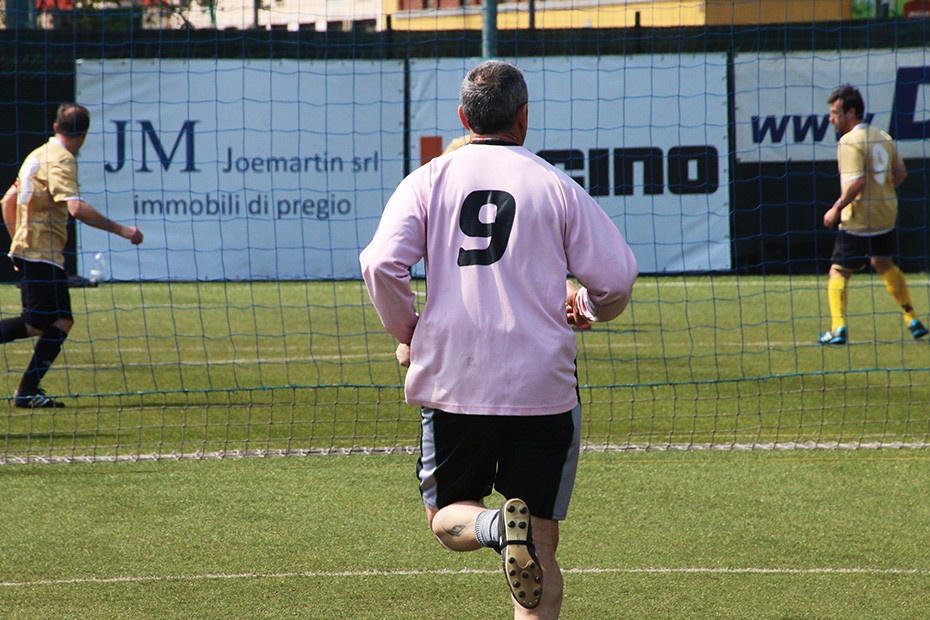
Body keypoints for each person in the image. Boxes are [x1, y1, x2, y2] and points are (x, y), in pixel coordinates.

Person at [360, 60, 637, 619]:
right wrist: (584, 307)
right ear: (524, 116)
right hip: (542, 386)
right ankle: (511, 533)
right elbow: (617, 279)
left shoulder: (429, 179)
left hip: (456, 380)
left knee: (447, 518)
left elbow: (381, 264)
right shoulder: (554, 184)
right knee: (540, 546)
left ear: (464, 118)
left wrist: (411, 332)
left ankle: (491, 526)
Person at [0, 103, 143, 408]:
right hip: (41, 253)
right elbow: (76, 208)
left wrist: (18, 243)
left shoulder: (37, 155)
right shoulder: (62, 159)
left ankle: (27, 391)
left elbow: (7, 202)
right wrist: (122, 230)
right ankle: (26, 392)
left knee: (60, 321)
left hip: (35, 252)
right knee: (38, 323)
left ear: (56, 126)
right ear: (84, 134)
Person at [819, 84, 927, 345]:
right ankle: (912, 318)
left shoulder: (849, 141)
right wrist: (883, 191)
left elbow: (857, 182)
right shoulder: (882, 136)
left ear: (850, 112)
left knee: (838, 271)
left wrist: (836, 208)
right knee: (883, 263)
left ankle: (838, 328)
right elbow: (900, 173)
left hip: (859, 217)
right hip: (886, 214)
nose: (831, 118)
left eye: (834, 113)